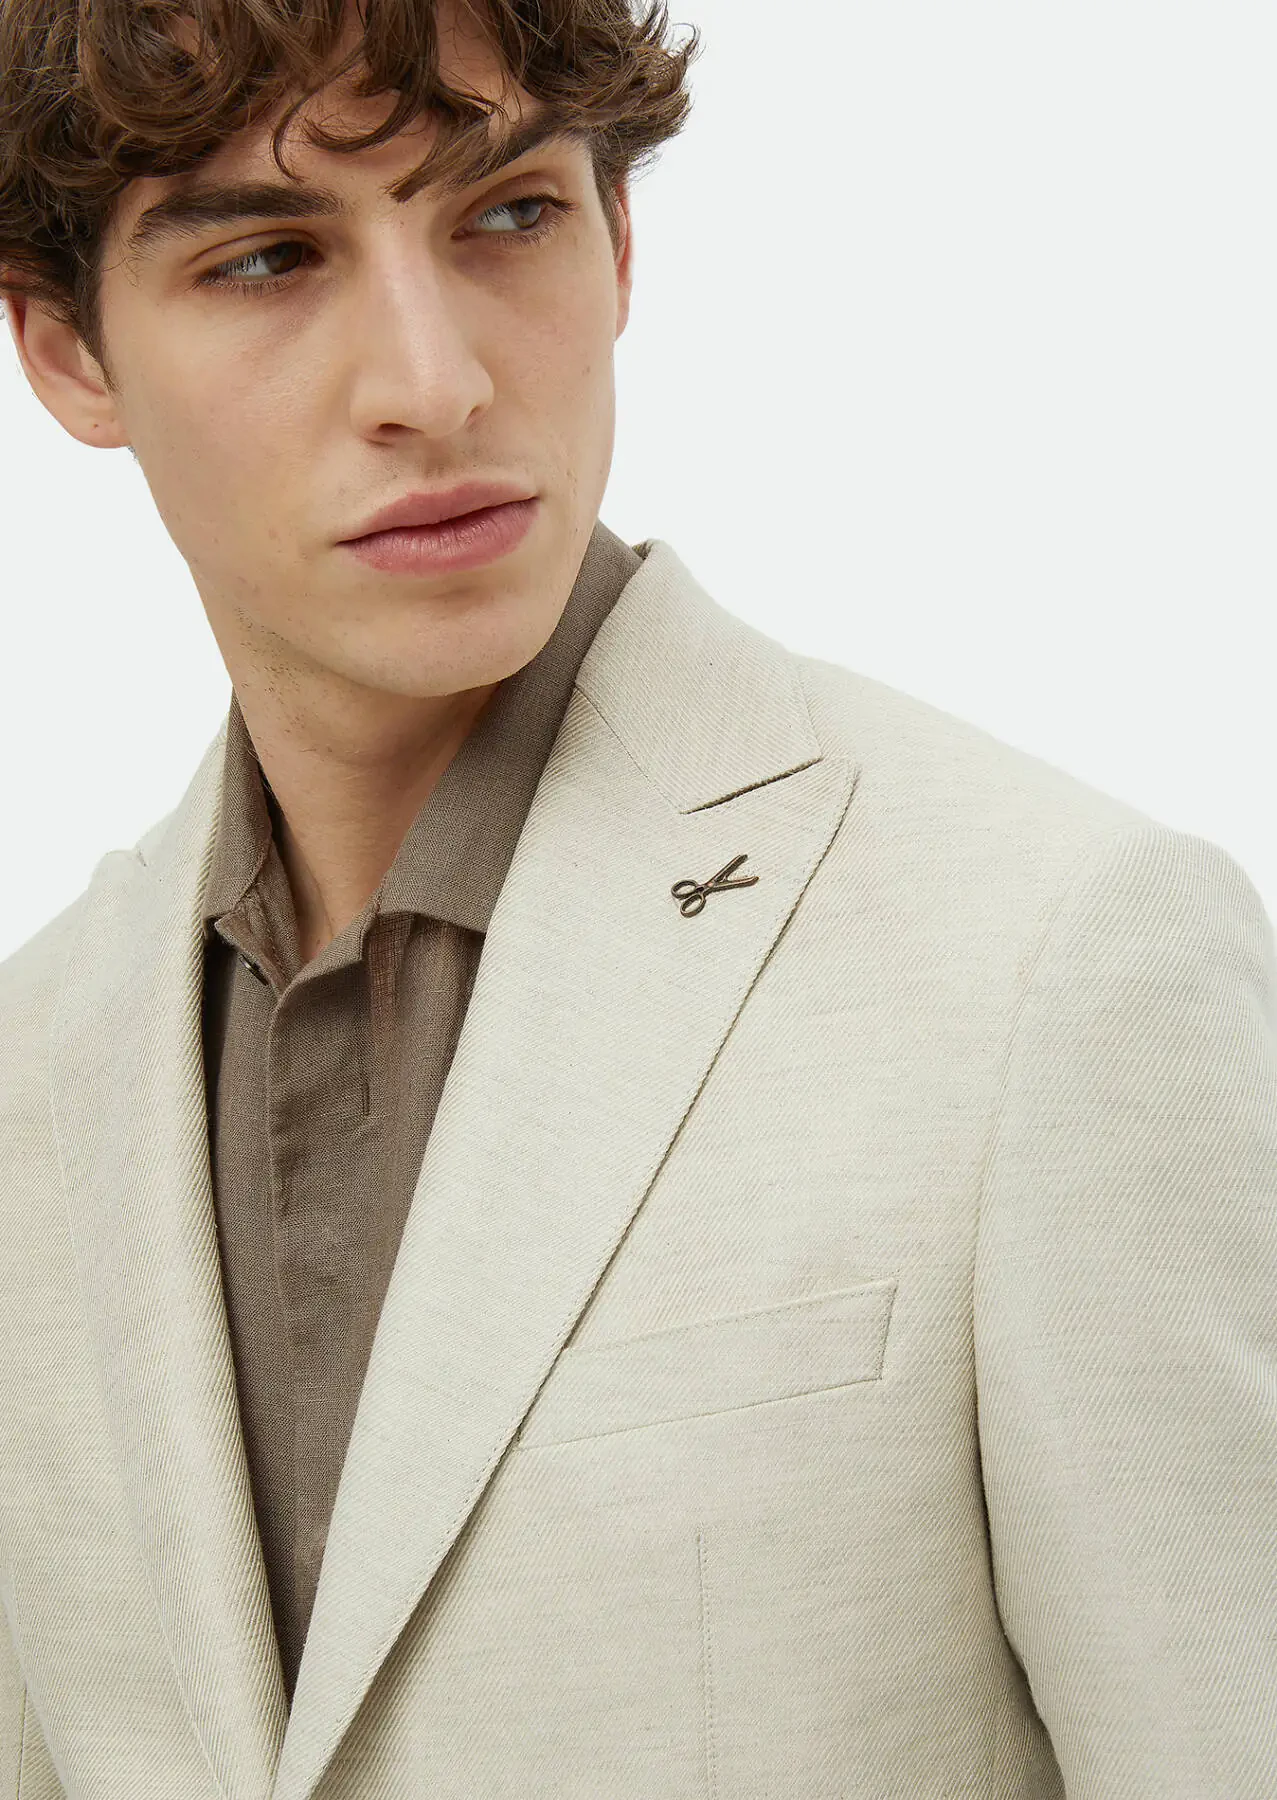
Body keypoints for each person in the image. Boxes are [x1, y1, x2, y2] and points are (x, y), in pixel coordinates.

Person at [1, 0, 1273, 1794]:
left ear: (618, 246)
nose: (433, 382)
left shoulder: (1056, 959)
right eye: (270, 259)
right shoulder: (36, 1078)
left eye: (507, 213)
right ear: (68, 351)